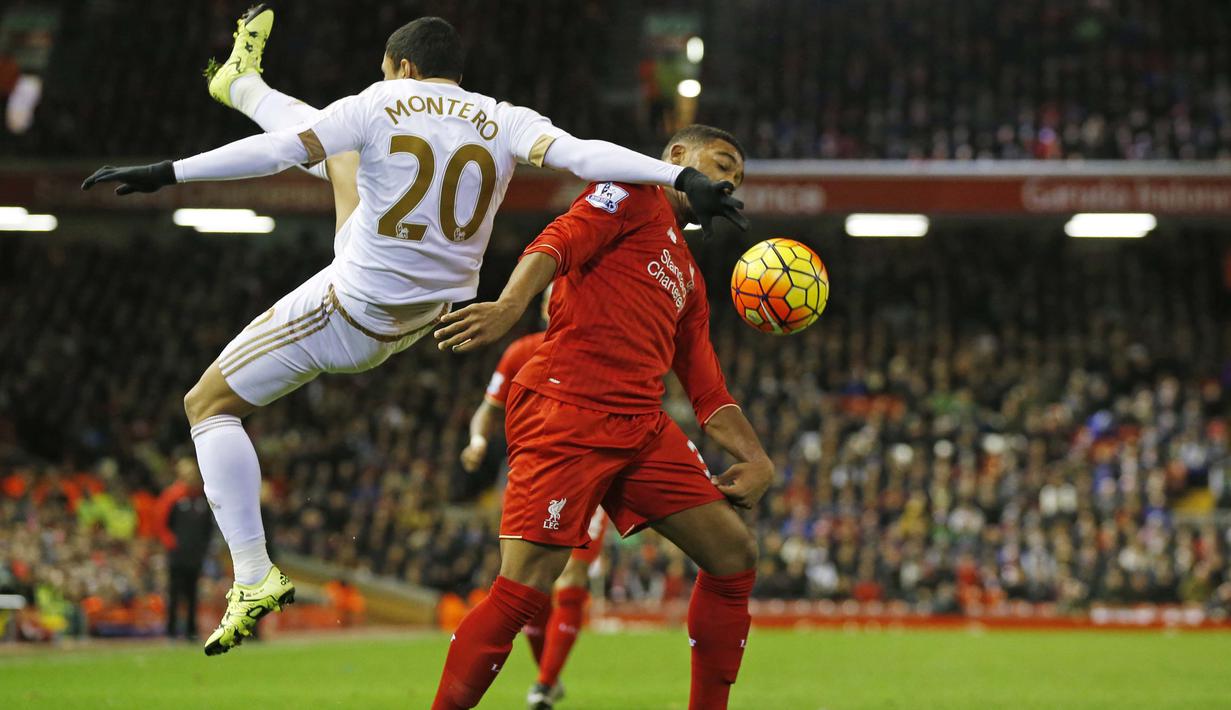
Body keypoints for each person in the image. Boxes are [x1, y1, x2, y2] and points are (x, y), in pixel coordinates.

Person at [81, 8, 747, 657]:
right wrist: (677, 175)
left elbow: (279, 151)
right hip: (431, 311)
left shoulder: (376, 102)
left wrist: (168, 172)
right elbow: (583, 155)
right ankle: (239, 83)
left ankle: (253, 574)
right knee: (339, 159)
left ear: (401, 67)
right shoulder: (501, 118)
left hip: (353, 309)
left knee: (207, 406)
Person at [430, 124, 772, 710]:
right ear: (677, 158)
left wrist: (757, 458)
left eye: (737, 178)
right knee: (524, 588)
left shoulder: (687, 277)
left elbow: (708, 390)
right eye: (720, 165)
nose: (728, 182)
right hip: (569, 408)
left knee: (733, 555)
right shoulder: (630, 194)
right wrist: (511, 306)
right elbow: (557, 241)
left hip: (641, 425)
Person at [460, 284, 604, 708]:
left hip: (590, 479)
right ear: (544, 308)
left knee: (574, 577)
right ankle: (548, 677)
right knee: (526, 584)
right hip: (534, 478)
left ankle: (543, 685)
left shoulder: (601, 355)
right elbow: (488, 408)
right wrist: (477, 442)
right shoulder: (521, 352)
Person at [160, 459, 214, 641]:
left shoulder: (200, 498)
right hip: (177, 555)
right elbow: (161, 523)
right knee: (175, 593)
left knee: (192, 593)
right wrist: (171, 543)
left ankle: (191, 630)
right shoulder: (172, 497)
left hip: (195, 555)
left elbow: (208, 528)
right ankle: (171, 631)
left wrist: (203, 548)